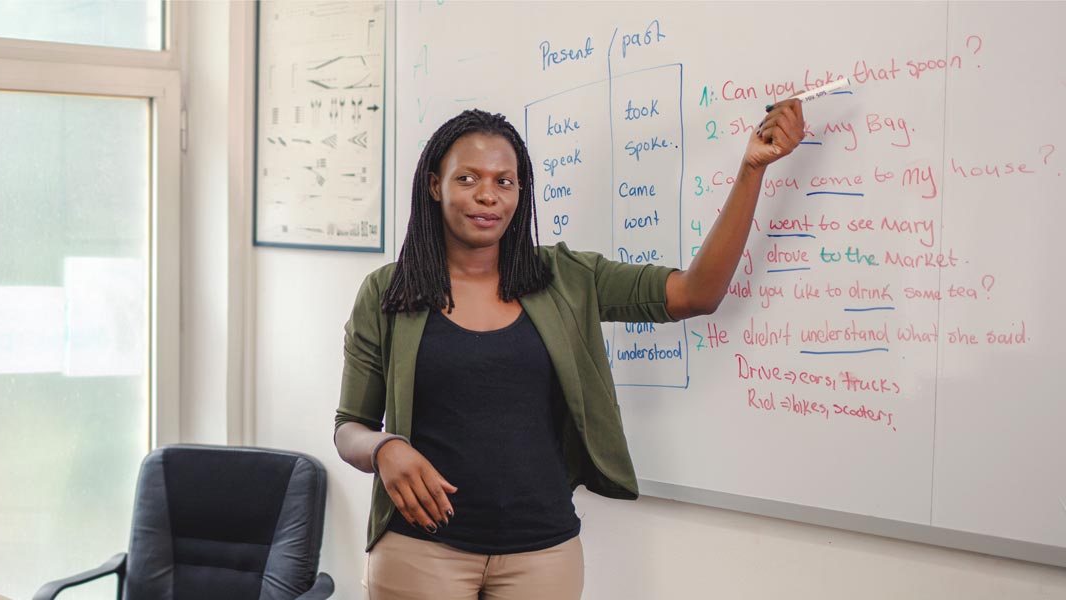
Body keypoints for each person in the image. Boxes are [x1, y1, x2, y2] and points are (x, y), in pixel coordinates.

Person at [336, 102, 804, 599]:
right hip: (420, 552)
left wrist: (752, 168)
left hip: (542, 554)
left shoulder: (566, 278)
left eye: (504, 181)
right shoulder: (389, 292)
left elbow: (696, 293)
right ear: (435, 185)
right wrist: (384, 448)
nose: (487, 196)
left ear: (521, 192)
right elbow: (350, 428)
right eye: (467, 179)